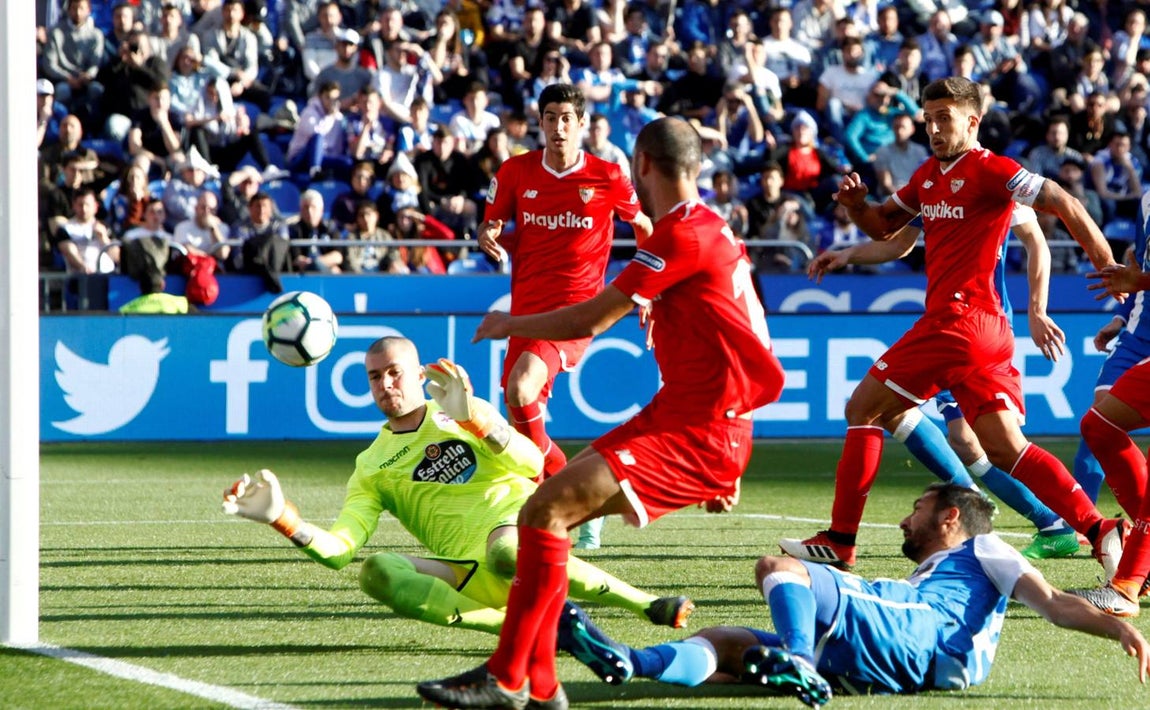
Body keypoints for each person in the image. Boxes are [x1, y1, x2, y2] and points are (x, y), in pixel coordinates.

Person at [416, 116, 786, 710]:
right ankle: (539, 683)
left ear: (641, 167)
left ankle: (510, 677)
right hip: (690, 417)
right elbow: (746, 333)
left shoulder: (681, 237)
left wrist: (511, 322)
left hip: (699, 428)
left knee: (545, 510)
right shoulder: (708, 228)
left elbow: (592, 318)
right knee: (548, 512)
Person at [779, 76, 1125, 577]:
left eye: (946, 118)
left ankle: (840, 542)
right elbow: (884, 228)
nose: (936, 128)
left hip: (959, 321)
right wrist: (856, 209)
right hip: (981, 332)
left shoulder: (993, 170)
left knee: (864, 408)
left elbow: (1062, 202)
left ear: (972, 121)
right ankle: (1097, 528)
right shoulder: (927, 177)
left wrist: (1104, 262)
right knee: (1007, 448)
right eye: (929, 119)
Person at [221, 337, 691, 640]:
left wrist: (477, 420)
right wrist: (284, 519)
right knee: (375, 572)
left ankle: (647, 604)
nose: (385, 384)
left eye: (394, 372)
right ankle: (517, 630)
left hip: (522, 528)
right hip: (466, 570)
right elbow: (342, 549)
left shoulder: (460, 410)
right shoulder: (370, 466)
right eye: (374, 377)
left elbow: (533, 463)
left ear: (418, 374)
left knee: (505, 550)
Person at [558, 484, 1150, 704]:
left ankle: (796, 660)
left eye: (915, 510)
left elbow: (1051, 603)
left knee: (780, 567)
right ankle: (630, 662)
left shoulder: (985, 548)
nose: (902, 523)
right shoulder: (933, 576)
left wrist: (1118, 625)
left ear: (949, 519)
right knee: (725, 644)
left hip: (923, 634)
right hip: (898, 659)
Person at [808, 207, 1082, 558]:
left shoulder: (995, 184)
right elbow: (898, 245)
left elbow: (1035, 239)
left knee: (973, 441)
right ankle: (994, 505)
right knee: (899, 415)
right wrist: (848, 254)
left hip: (981, 327)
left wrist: (1037, 308)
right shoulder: (932, 188)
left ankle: (1052, 522)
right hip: (947, 324)